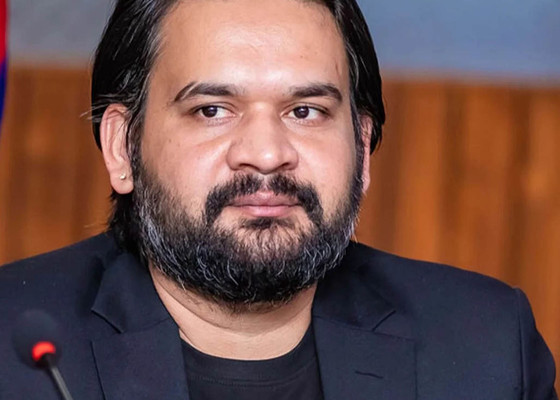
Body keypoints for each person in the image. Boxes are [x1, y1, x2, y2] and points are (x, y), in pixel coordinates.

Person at [0, 0, 556, 398]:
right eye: (212, 110)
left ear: (362, 146)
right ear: (122, 146)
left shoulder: (485, 346)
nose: (267, 155)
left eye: (305, 111)